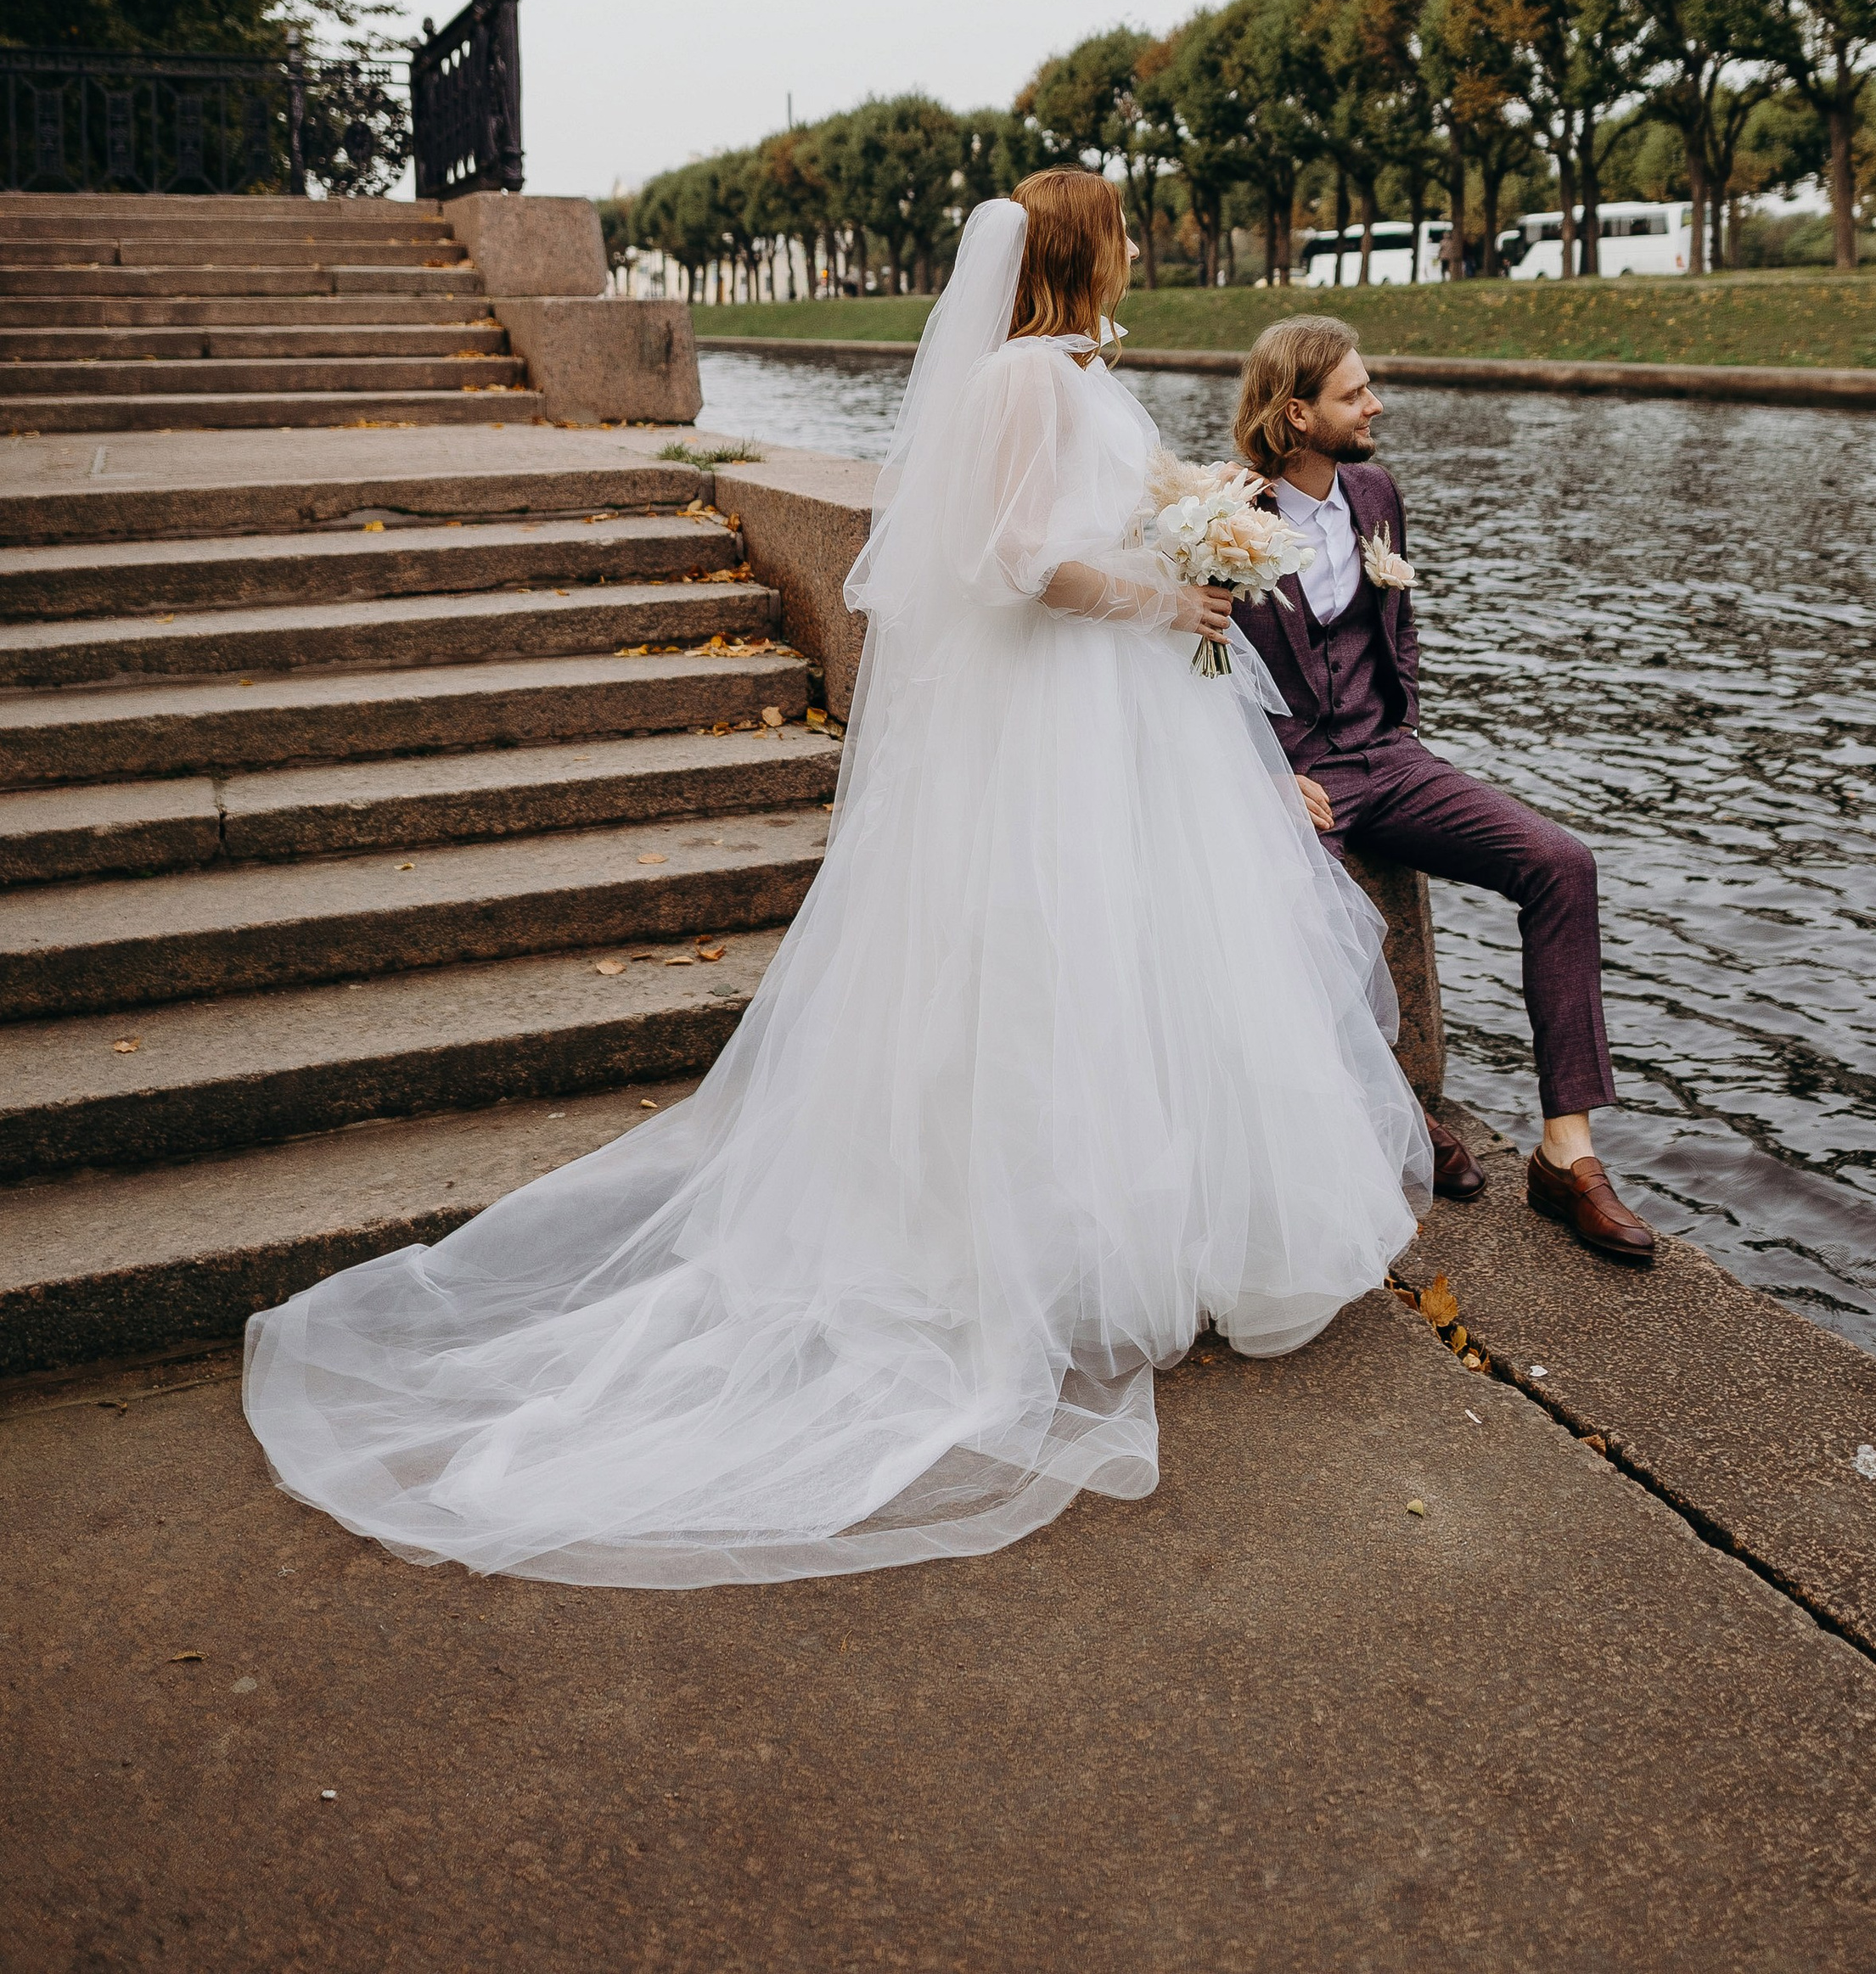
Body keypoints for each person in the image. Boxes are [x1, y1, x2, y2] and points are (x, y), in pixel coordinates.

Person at [241, 177, 1431, 1589]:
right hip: (1068, 710)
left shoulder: (1055, 372)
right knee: (1061, 959)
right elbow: (1020, 563)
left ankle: (1111, 1230)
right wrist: (1166, 594)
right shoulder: (1030, 383)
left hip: (1099, 716)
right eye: (1117, 232)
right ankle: (1057, 1248)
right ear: (1078, 255)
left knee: (1101, 963)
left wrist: (1178, 529)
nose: (1133, 249)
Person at [1226, 317, 1654, 1266]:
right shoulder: (1224, 517)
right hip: (1297, 771)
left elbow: (1399, 621)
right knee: (1295, 911)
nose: (1375, 405)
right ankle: (1399, 1117)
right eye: (1353, 393)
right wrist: (1261, 776)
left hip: (1391, 754)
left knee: (1560, 862)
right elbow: (1189, 665)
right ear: (1296, 414)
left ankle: (1566, 1153)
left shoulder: (1375, 490)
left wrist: (1402, 726)